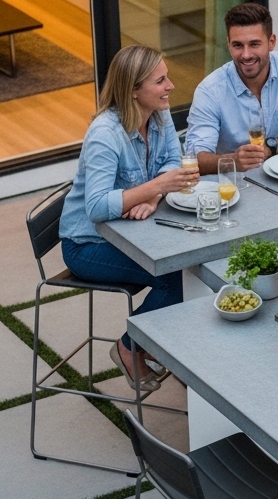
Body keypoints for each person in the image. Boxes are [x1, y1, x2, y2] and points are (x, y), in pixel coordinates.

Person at [59, 45, 199, 389]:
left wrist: (152, 196)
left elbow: (172, 161)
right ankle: (129, 346)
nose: (170, 86)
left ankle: (164, 346)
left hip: (133, 232)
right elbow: (96, 207)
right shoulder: (105, 135)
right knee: (177, 277)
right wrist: (157, 186)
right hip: (87, 245)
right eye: (160, 81)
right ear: (134, 90)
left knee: (192, 265)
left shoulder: (158, 114)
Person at [184, 2, 278, 174]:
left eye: (254, 44)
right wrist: (233, 160)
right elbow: (194, 160)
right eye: (237, 45)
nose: (246, 55)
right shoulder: (209, 91)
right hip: (233, 183)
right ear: (228, 44)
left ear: (271, 42)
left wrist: (272, 146)